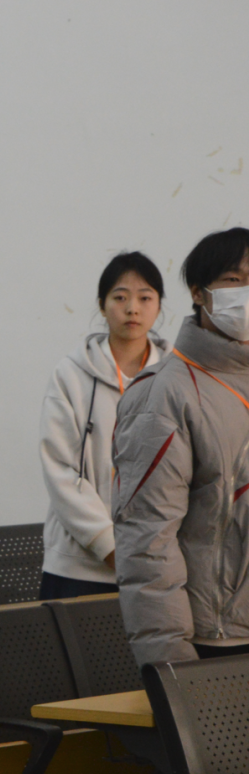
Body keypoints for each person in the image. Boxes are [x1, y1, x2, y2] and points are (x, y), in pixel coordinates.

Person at [114, 227, 249, 666]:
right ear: (198, 292)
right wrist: (172, 664)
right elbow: (148, 538)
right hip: (218, 638)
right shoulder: (165, 394)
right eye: (234, 280)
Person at [39, 252, 169, 600]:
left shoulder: (176, 378)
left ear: (159, 306)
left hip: (157, 563)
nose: (132, 309)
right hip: (79, 566)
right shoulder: (70, 375)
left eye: (145, 298)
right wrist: (108, 545)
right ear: (102, 305)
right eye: (120, 297)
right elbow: (60, 469)